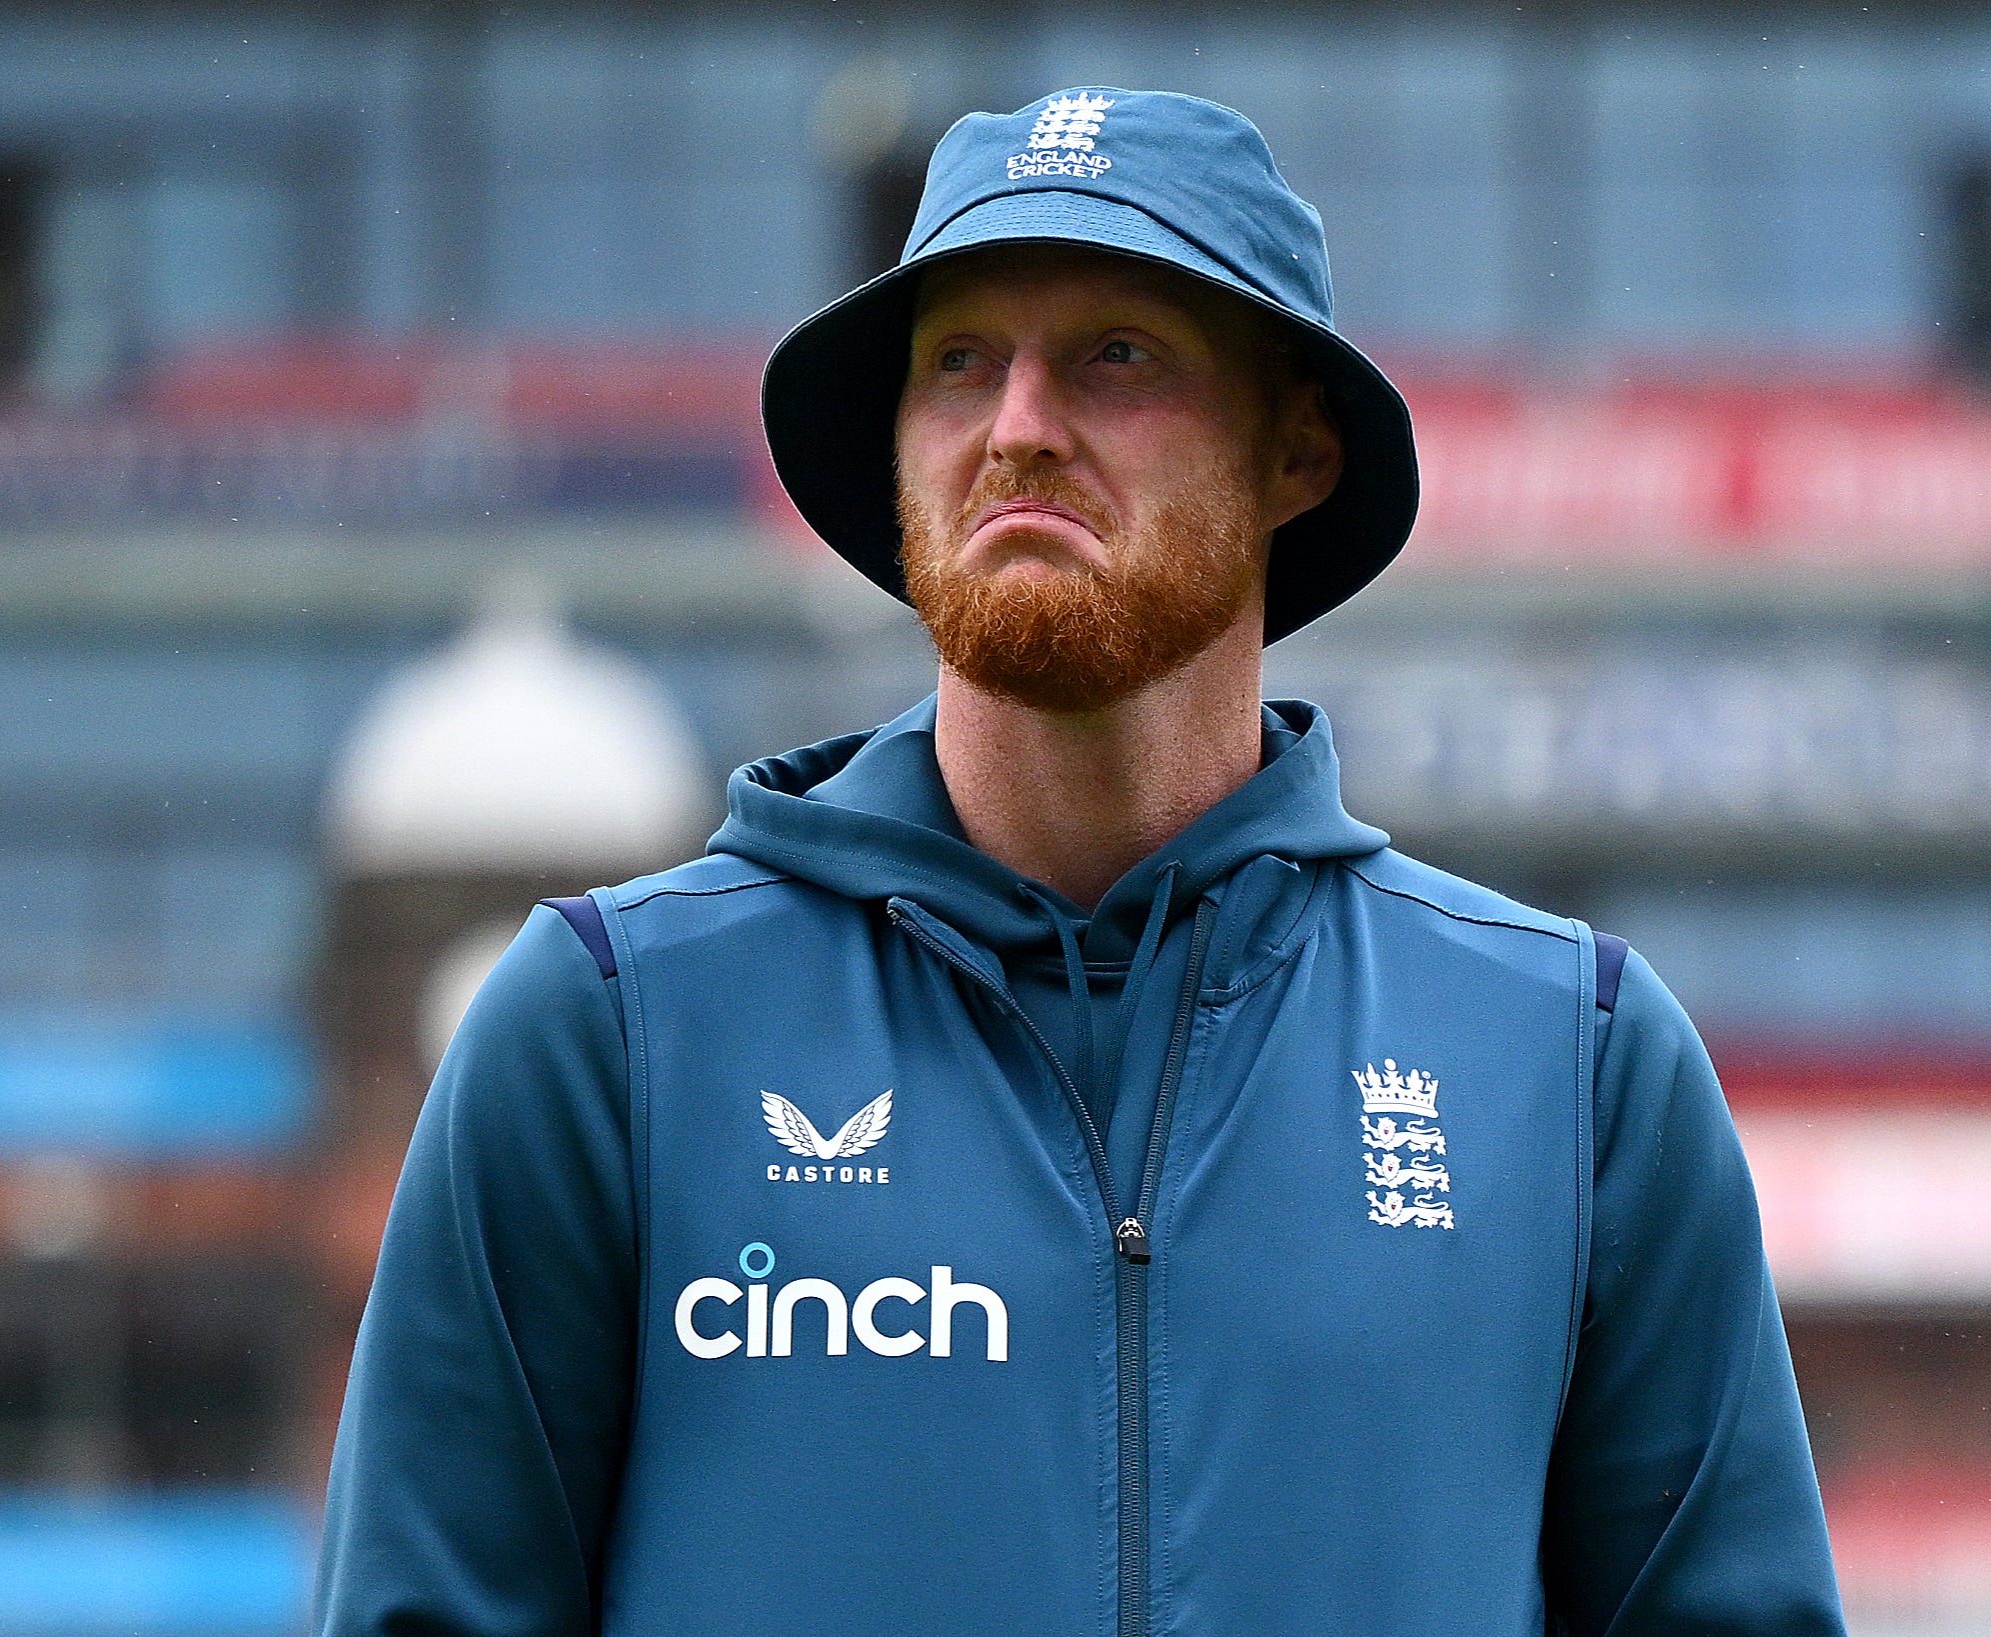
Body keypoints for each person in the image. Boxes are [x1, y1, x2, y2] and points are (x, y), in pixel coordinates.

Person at [315, 88, 1845, 1637]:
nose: (1018, 423)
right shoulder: (610, 1029)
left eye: (1117, 354)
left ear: (1298, 447)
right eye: (961, 360)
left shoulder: (1571, 1060)